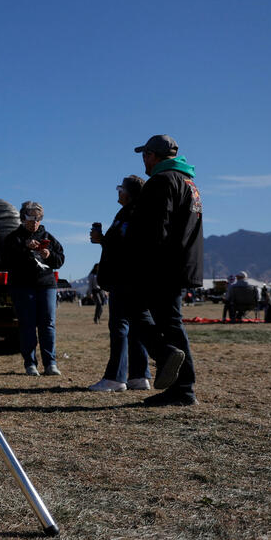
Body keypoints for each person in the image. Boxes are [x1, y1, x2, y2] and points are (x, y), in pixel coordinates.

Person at [124, 134, 202, 407]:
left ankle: (168, 360)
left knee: (134, 308)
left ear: (152, 155)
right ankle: (183, 387)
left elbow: (155, 228)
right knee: (171, 324)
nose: (144, 161)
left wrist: (141, 263)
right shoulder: (188, 183)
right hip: (180, 262)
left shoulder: (162, 181)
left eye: (145, 155)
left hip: (160, 265)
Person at [87, 175, 151, 392]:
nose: (118, 192)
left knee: (120, 327)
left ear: (129, 193)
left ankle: (115, 378)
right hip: (131, 278)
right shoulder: (130, 212)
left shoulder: (133, 214)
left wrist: (103, 240)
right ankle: (139, 376)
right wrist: (103, 240)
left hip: (125, 278)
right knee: (135, 327)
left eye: (120, 188)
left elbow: (126, 247)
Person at [0, 201, 65, 376]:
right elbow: (6, 260)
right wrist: (24, 248)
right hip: (22, 286)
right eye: (31, 217)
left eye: (38, 218)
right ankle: (30, 364)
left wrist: (49, 255)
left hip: (46, 285)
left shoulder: (48, 237)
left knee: (48, 324)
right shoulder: (13, 238)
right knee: (27, 325)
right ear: (23, 218)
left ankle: (50, 363)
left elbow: (60, 259)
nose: (35, 221)